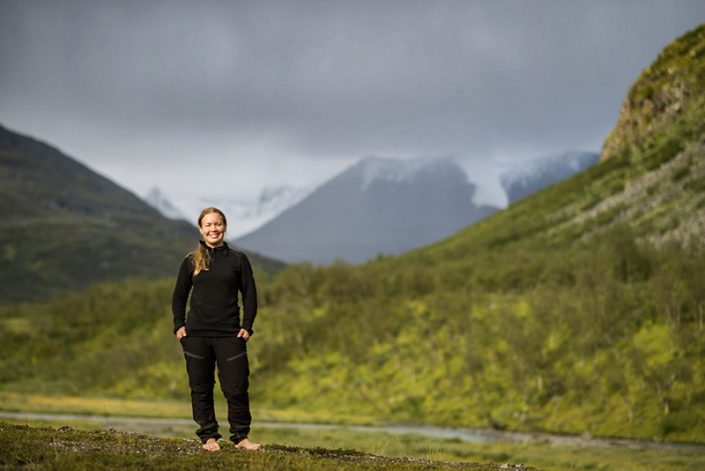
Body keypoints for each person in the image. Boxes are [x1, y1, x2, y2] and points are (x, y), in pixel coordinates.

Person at [172, 207, 261, 452]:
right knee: (201, 388)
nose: (214, 229)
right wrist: (179, 325)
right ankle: (208, 436)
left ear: (225, 226)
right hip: (196, 336)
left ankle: (241, 437)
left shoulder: (238, 260)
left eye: (218, 224)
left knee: (236, 387)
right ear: (201, 229)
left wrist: (247, 326)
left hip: (230, 335)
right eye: (208, 225)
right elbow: (179, 296)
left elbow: (250, 295)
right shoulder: (191, 261)